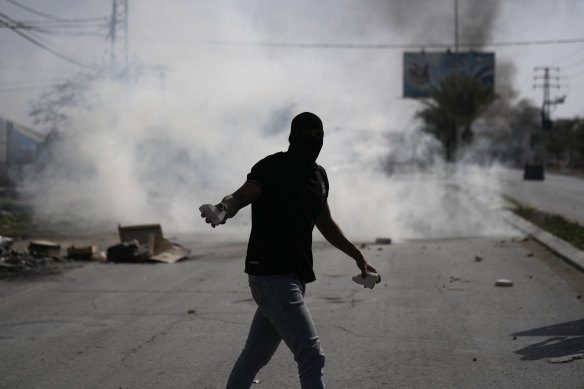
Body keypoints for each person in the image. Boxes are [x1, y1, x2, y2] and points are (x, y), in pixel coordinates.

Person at [201, 112, 379, 389]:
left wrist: (358, 256)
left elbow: (326, 223)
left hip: (290, 278)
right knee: (310, 356)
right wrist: (224, 209)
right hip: (273, 277)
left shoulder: (318, 176)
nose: (313, 141)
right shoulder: (272, 167)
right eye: (306, 136)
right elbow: (240, 196)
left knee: (255, 355)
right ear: (292, 138)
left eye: (318, 135)